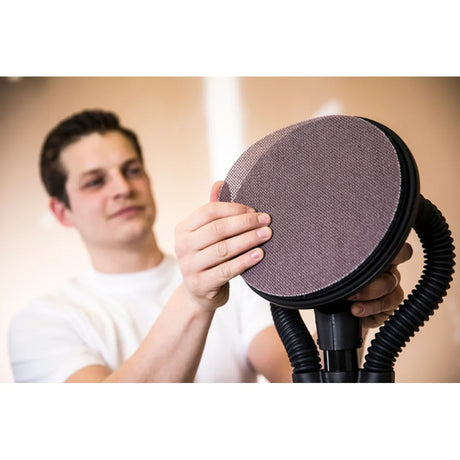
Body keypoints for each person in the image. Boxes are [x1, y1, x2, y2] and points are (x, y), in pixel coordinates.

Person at [8, 109, 412, 383]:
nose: (122, 188)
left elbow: (297, 378)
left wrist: (341, 317)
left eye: (131, 170)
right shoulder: (42, 323)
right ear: (61, 211)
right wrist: (194, 298)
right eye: (96, 181)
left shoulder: (243, 276)